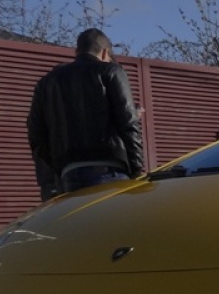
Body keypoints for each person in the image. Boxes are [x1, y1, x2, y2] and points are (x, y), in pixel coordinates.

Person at [27, 28, 144, 200]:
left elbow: (36, 133)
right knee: (115, 225)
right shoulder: (111, 71)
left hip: (69, 173)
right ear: (105, 52)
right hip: (110, 169)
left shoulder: (47, 82)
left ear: (77, 51)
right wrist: (136, 171)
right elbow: (129, 123)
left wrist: (55, 171)